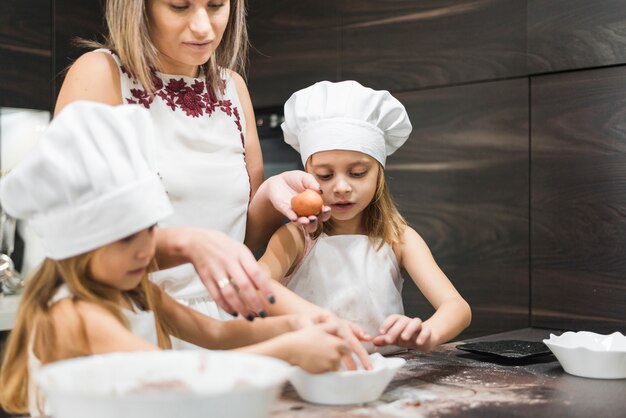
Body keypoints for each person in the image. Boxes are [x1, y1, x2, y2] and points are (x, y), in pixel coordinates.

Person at [0, 102, 351, 417]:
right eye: (125, 239)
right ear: (78, 249)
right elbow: (171, 377)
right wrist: (289, 350)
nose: (145, 249)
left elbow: (215, 332)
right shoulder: (75, 314)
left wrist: (296, 326)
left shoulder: (134, 290)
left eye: (150, 229)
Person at [53, 0, 328, 321]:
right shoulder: (101, 74)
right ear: (138, 9)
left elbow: (240, 240)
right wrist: (186, 243)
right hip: (130, 318)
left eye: (215, 5)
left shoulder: (233, 88)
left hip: (226, 320)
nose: (203, 26)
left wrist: (271, 194)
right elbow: (74, 237)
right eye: (179, 6)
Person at [258, 80, 472, 353]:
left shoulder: (397, 238)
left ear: (378, 174)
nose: (342, 187)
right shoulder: (297, 237)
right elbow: (256, 284)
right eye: (324, 175)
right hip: (311, 371)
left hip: (385, 375)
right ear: (306, 174)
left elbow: (457, 306)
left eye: (357, 173)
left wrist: (428, 333)